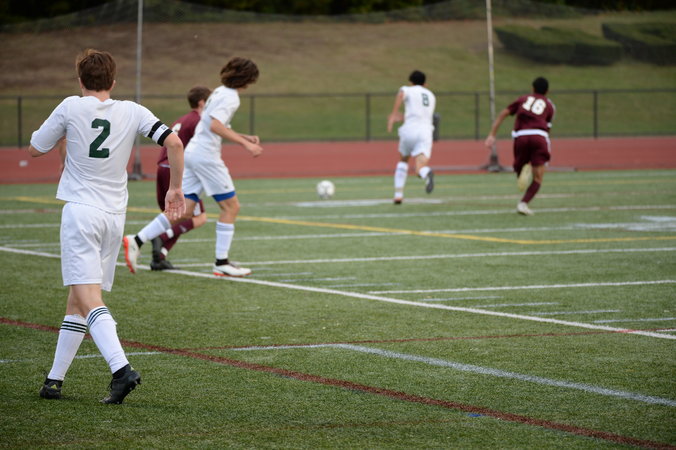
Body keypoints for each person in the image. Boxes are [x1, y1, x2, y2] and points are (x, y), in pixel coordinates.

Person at [28, 49, 185, 404]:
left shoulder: (70, 106)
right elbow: (174, 141)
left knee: (88, 297)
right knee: (77, 300)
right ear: (113, 82)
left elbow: (35, 148)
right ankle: (54, 380)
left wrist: (63, 137)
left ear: (80, 80)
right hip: (114, 217)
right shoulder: (133, 110)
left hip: (82, 212)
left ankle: (121, 369)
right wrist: (176, 188)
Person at [127, 56, 262, 277]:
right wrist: (245, 144)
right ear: (248, 79)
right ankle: (221, 262)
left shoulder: (219, 92)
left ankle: (136, 239)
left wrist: (243, 136)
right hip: (206, 157)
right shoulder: (231, 97)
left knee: (185, 210)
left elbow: (212, 124)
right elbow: (216, 126)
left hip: (193, 154)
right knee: (231, 207)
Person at [123, 86, 211, 272]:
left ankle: (160, 256)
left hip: (163, 168)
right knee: (198, 217)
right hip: (177, 170)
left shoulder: (182, 119)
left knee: (175, 215)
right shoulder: (199, 120)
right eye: (210, 101)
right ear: (202, 102)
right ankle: (155, 237)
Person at [484, 76, 555, 216]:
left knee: (519, 167)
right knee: (538, 177)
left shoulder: (523, 99)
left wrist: (492, 134)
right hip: (539, 136)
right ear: (547, 91)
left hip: (521, 136)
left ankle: (522, 171)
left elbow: (504, 113)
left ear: (532, 88)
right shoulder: (550, 105)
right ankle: (523, 203)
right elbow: (548, 128)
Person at [387, 70, 437, 205]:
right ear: (425, 84)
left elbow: (401, 94)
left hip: (409, 130)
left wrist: (394, 114)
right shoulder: (431, 96)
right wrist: (404, 117)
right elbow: (421, 115)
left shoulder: (407, 89)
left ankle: (398, 195)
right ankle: (426, 172)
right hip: (426, 131)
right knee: (420, 167)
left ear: (410, 82)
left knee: (403, 160)